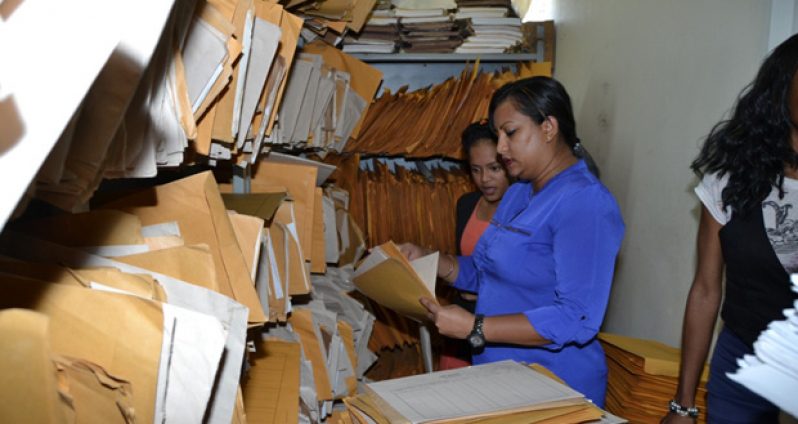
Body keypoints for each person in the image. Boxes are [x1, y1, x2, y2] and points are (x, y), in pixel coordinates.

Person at [400, 76, 625, 407]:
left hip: (554, 386)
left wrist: (476, 327)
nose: (501, 148)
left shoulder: (584, 203)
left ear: (548, 127)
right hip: (500, 377)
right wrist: (433, 260)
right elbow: (484, 271)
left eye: (511, 133)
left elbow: (575, 317)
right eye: (498, 136)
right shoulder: (519, 192)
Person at [663, 34, 798, 424]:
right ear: (783, 87)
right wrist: (683, 404)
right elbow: (706, 289)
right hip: (743, 355)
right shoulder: (732, 179)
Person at [440, 121, 511, 370]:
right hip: (460, 323)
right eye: (476, 170)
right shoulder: (466, 204)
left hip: (500, 328)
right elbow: (463, 262)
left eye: (494, 168)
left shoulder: (525, 214)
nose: (485, 179)